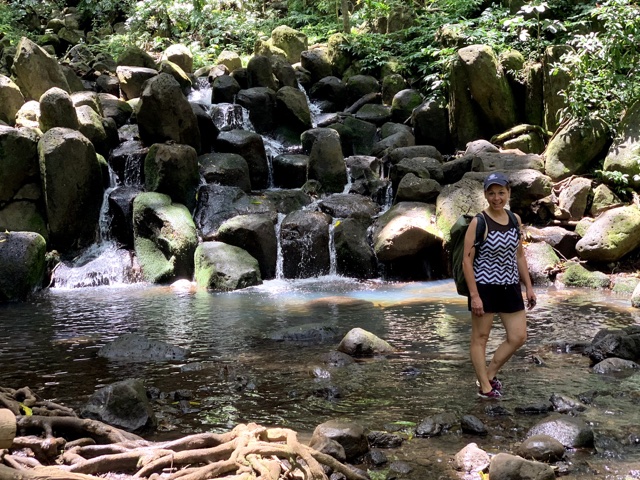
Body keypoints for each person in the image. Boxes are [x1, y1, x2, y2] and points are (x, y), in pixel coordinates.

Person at [461, 172, 536, 399]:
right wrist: (474, 295)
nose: (497, 198)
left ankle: (489, 374)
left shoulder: (514, 219)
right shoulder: (479, 222)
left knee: (518, 336)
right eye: (492, 193)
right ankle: (485, 388)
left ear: (508, 193)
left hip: (510, 285)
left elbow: (519, 255)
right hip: (484, 287)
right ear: (485, 195)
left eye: (501, 193)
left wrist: (528, 287)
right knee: (480, 337)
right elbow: (467, 261)